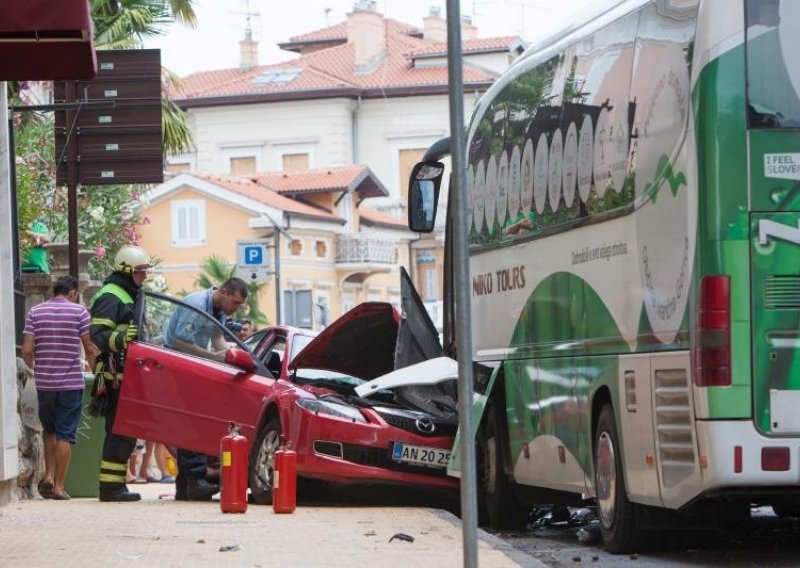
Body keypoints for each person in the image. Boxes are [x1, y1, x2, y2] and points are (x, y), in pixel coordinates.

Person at [163, 277, 248, 500]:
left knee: (191, 421)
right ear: (224, 292)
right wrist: (212, 357)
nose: (236, 309)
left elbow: (217, 336)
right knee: (194, 421)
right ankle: (196, 479)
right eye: (235, 303)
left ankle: (185, 484)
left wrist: (232, 355)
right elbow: (181, 341)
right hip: (178, 363)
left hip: (192, 365)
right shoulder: (198, 305)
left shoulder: (217, 308)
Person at [22, 275, 95, 500]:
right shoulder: (80, 312)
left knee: (50, 430)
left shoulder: (35, 312)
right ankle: (59, 487)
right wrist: (92, 370)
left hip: (45, 383)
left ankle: (48, 476)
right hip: (71, 383)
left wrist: (37, 368)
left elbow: (26, 349)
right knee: (65, 433)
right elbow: (89, 347)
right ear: (73, 292)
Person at [89, 245, 151, 502]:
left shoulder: (129, 293)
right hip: (115, 376)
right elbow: (98, 335)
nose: (144, 277)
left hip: (128, 375)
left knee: (125, 431)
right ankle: (110, 488)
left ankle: (115, 485)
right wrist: (122, 338)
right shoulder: (111, 296)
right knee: (119, 430)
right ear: (126, 270)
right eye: (140, 271)